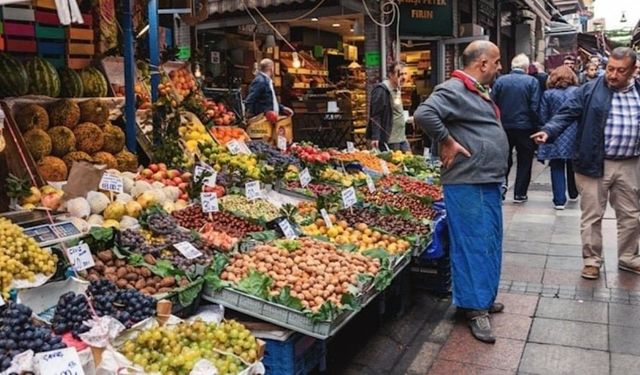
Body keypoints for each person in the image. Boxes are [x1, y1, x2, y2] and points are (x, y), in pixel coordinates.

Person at [415, 40, 507, 343]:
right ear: (482, 63)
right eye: (495, 62)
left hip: (484, 179)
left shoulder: (475, 90)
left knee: (489, 240)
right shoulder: (453, 89)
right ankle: (474, 308)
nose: (498, 67)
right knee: (473, 243)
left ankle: (480, 298)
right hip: (468, 180)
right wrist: (447, 141)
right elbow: (424, 114)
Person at [531, 47, 640, 280]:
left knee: (631, 214)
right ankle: (591, 260)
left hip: (630, 163)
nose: (612, 74)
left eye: (621, 71)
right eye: (610, 68)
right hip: (593, 160)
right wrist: (548, 131)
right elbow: (565, 114)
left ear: (633, 70)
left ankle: (629, 257)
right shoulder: (589, 90)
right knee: (592, 215)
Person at [491, 54, 541, 203]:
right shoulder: (532, 82)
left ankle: (501, 188)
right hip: (525, 127)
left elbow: (492, 104)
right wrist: (536, 126)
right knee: (525, 160)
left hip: (504, 127)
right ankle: (520, 193)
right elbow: (534, 106)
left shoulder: (500, 81)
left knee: (504, 159)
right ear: (526, 68)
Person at [536, 66, 580, 209]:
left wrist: (546, 130)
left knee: (556, 165)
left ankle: (559, 200)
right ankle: (574, 193)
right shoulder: (577, 92)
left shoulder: (548, 94)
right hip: (573, 133)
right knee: (572, 165)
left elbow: (543, 115)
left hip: (554, 133)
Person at [366, 62, 409, 151]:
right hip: (389, 140)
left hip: (401, 138)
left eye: (405, 74)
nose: (404, 77)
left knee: (410, 162)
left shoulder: (397, 89)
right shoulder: (381, 91)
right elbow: (375, 115)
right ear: (390, 75)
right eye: (400, 74)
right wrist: (375, 137)